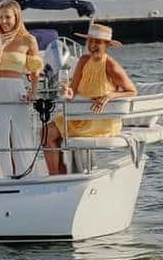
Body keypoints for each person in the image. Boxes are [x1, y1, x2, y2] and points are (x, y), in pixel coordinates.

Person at [44, 23, 137, 175]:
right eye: (90, 41)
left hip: (101, 121)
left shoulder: (111, 65)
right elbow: (72, 90)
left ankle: (59, 175)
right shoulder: (83, 61)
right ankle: (57, 175)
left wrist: (110, 96)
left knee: (51, 133)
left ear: (106, 45)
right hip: (79, 118)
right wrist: (66, 91)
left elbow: (132, 91)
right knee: (45, 132)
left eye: (97, 42)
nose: (92, 45)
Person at [0, 0, 44, 178]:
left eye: (8, 17)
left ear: (16, 17)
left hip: (17, 88)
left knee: (21, 134)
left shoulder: (28, 40)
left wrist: (33, 92)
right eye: (1, 17)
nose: (4, 21)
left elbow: (35, 71)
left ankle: (26, 175)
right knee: (1, 136)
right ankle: (8, 176)